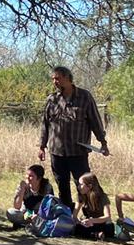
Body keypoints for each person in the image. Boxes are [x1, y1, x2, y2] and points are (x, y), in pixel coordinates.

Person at [37, 65, 109, 208]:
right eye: (53, 79)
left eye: (58, 78)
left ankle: (94, 215)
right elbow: (45, 124)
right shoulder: (52, 100)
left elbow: (95, 121)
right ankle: (67, 217)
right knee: (62, 185)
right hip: (57, 153)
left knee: (84, 185)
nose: (55, 82)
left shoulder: (84, 97)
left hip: (78, 153)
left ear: (68, 78)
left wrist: (103, 142)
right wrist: (41, 146)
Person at [74, 172, 115, 240]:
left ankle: (97, 234)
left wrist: (92, 220)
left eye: (81, 184)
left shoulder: (102, 197)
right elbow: (74, 216)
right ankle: (98, 235)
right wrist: (81, 222)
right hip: (89, 223)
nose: (78, 187)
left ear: (89, 186)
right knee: (77, 229)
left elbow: (107, 216)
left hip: (101, 222)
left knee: (109, 227)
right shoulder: (81, 196)